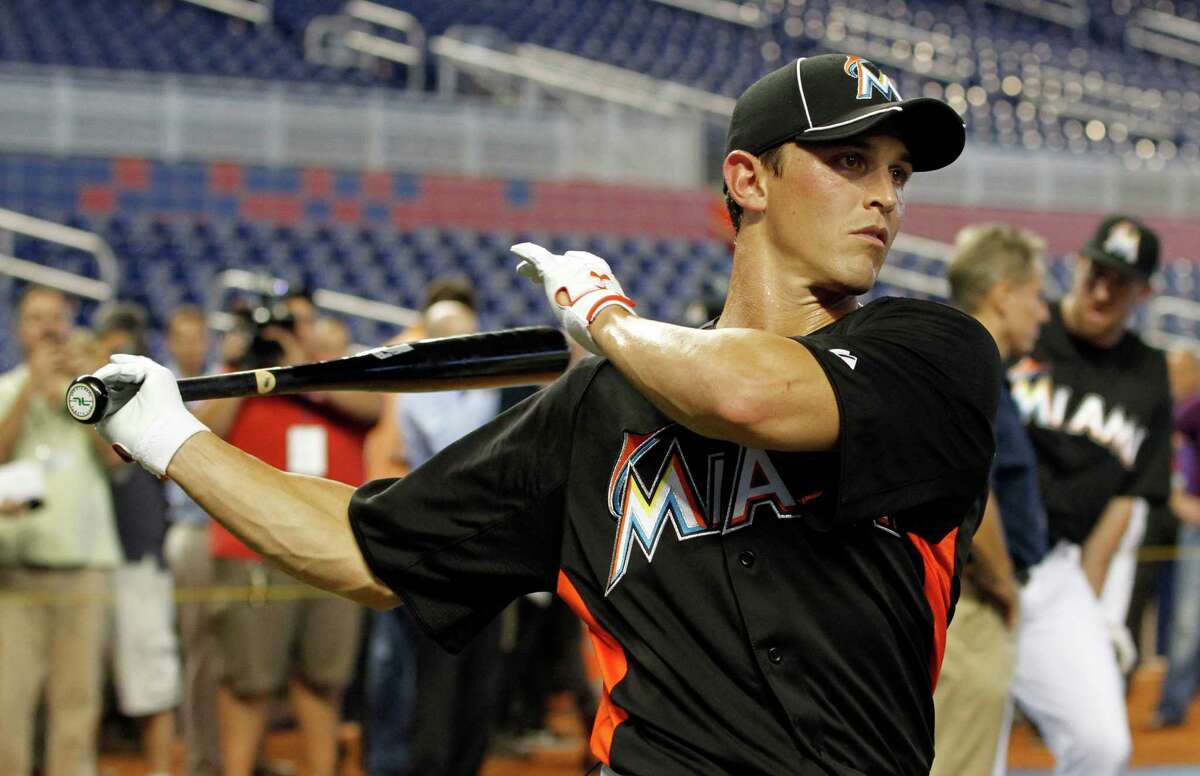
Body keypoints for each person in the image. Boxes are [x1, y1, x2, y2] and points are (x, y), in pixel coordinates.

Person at [85, 53, 1000, 775]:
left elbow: (750, 396)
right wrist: (173, 440)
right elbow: (368, 546)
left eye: (898, 171)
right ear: (748, 181)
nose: (884, 194)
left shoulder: (932, 354)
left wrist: (607, 320)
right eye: (847, 161)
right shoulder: (598, 406)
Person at [1005, 215, 1173, 775]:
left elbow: (1126, 499)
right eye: (1097, 272)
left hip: (1056, 571)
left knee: (1102, 743)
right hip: (972, 565)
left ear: (1143, 292)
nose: (1102, 290)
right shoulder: (1028, 327)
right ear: (1077, 263)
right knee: (964, 742)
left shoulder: (1148, 371)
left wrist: (1092, 608)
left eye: (1120, 282)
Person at [194, 292, 381, 776]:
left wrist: (304, 366)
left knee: (323, 680)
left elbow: (372, 407)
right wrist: (237, 366)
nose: (284, 335)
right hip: (251, 550)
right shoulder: (241, 378)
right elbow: (198, 434)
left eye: (296, 325)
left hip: (334, 546)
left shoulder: (336, 373)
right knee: (246, 683)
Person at [365, 293, 506, 776]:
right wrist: (494, 390)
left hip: (488, 550)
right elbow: (458, 440)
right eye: (452, 333)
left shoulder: (490, 389)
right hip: (437, 551)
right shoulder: (420, 393)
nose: (466, 342)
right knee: (438, 683)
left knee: (482, 682)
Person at [932, 224, 1050, 776]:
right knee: (961, 763)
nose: (1044, 312)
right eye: (1036, 295)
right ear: (1004, 293)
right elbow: (973, 489)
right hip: (971, 602)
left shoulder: (955, 360)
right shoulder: (970, 368)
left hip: (960, 596)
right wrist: (1003, 583)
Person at [0, 286, 122, 776]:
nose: (49, 328)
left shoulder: (90, 395)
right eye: (37, 319)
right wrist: (32, 386)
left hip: (85, 564)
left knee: (77, 702)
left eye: (57, 319)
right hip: (15, 569)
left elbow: (117, 461)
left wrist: (79, 394)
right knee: (8, 699)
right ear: (19, 329)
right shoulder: (8, 386)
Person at [94, 302, 182, 776]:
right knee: (83, 683)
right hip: (81, 556)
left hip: (137, 552)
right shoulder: (75, 396)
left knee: (150, 676)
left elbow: (114, 457)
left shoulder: (152, 399)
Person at [160, 305, 223, 776]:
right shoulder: (160, 391)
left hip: (228, 530)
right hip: (190, 531)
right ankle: (202, 758)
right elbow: (202, 435)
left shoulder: (218, 380)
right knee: (199, 652)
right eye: (183, 337)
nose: (191, 345)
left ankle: (239, 753)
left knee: (238, 654)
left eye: (198, 336)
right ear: (170, 341)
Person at [1152, 349, 1200, 727]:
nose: (1170, 383)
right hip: (1195, 525)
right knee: (1186, 620)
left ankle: (1172, 706)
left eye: (1177, 374)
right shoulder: (1185, 411)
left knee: (1187, 620)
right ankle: (1172, 706)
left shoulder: (1190, 406)